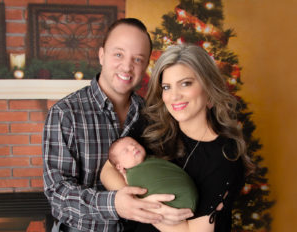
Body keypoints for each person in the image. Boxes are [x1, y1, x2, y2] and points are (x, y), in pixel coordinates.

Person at [42, 18, 193, 232]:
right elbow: (58, 195)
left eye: (138, 59)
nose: (127, 66)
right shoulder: (65, 114)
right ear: (102, 55)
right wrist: (114, 204)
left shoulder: (152, 114)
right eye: (118, 54)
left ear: (146, 66)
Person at [101, 43, 254, 232]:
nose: (174, 96)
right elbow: (109, 168)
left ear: (208, 86)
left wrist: (145, 210)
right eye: (166, 87)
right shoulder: (152, 123)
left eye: (185, 83)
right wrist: (136, 205)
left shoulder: (225, 156)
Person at [107, 136, 198, 211]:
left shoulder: (151, 160)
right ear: (119, 166)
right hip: (177, 204)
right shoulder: (133, 177)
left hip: (187, 194)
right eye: (125, 151)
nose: (133, 147)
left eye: (134, 144)